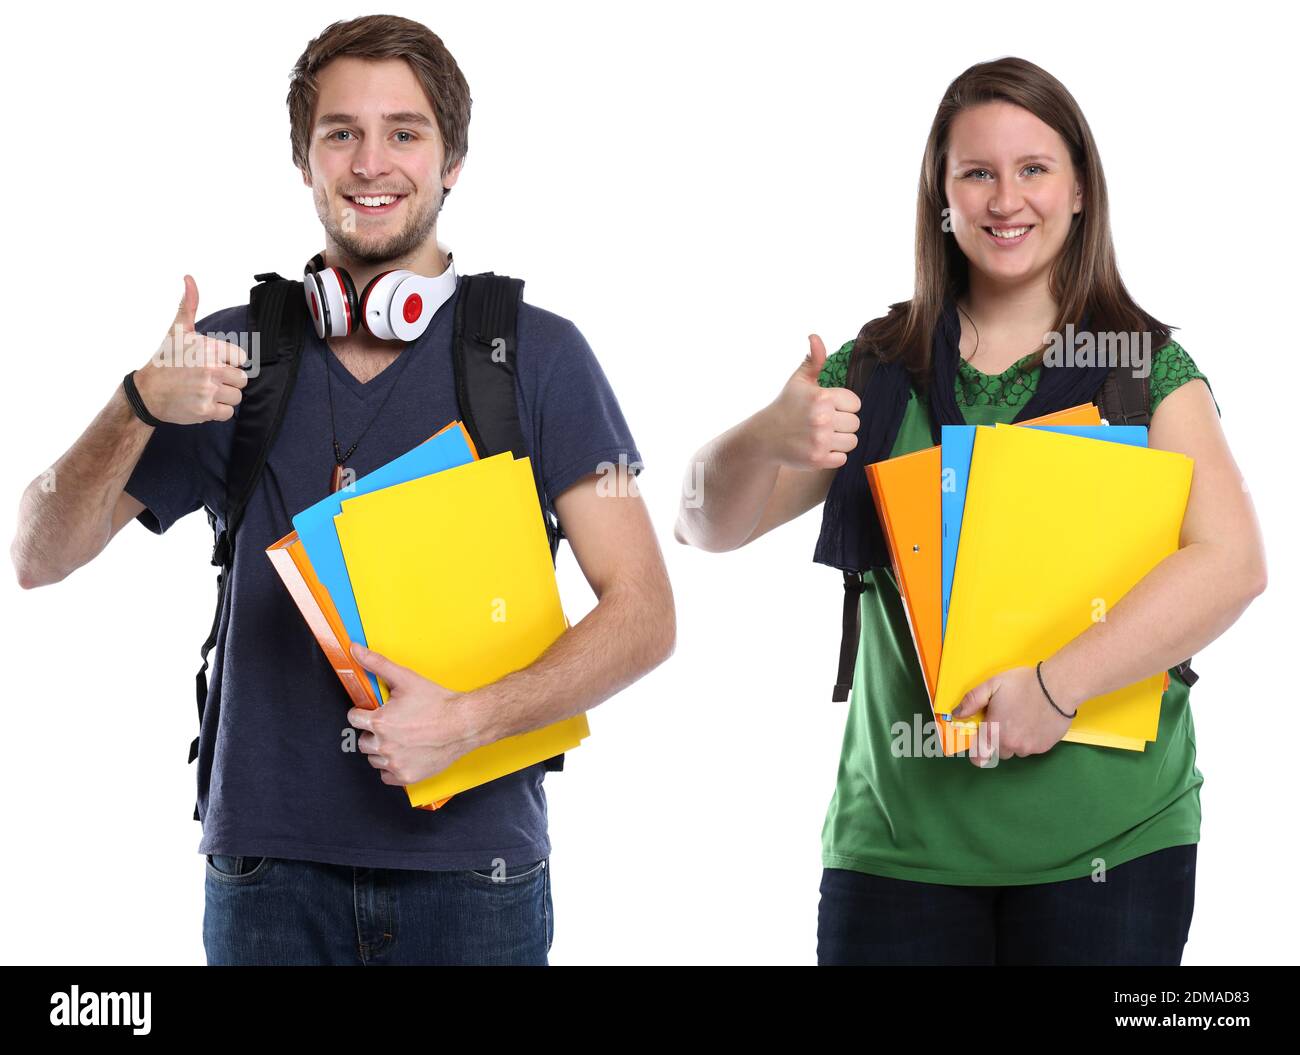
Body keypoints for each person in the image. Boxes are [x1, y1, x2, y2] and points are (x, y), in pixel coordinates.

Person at [12, 14, 674, 966]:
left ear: (452, 163)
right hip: (266, 878)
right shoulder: (228, 355)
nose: (372, 163)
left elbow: (646, 612)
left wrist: (469, 720)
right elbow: (37, 554)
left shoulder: (537, 355)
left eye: (405, 133)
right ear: (304, 159)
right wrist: (135, 403)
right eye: (341, 134)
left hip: (476, 875)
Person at [674, 56, 1266, 966]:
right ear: (941, 198)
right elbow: (701, 523)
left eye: (1033, 169)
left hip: (1110, 849)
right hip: (898, 855)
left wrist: (1056, 686)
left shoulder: (1146, 372)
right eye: (976, 173)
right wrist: (770, 433)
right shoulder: (874, 369)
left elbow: (1233, 564)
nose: (1005, 199)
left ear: (1078, 191)